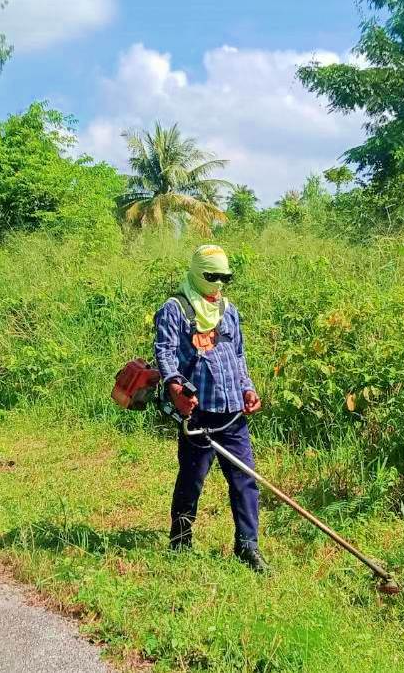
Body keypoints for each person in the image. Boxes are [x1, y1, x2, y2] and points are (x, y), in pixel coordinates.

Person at [153, 244, 267, 572]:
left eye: (224, 277)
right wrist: (175, 386)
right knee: (192, 477)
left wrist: (248, 389)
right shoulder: (175, 309)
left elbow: (239, 355)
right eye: (211, 277)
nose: (218, 284)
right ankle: (180, 539)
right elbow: (165, 352)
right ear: (197, 273)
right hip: (198, 413)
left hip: (232, 413)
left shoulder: (228, 310)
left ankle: (247, 545)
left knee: (245, 479)